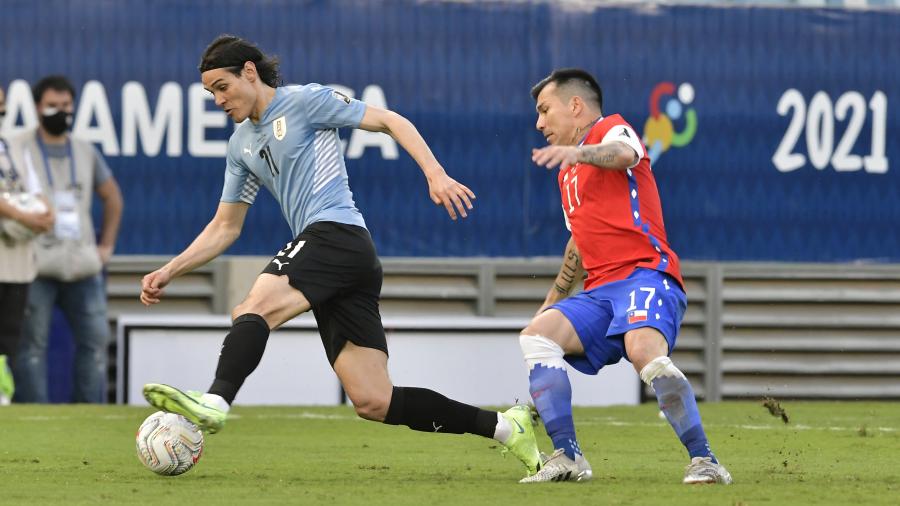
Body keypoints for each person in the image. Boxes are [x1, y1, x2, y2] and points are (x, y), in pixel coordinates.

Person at [139, 35, 541, 476]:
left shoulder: (306, 102)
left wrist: (436, 174)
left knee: (252, 308)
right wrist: (171, 269)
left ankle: (215, 400)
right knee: (374, 400)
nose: (218, 99)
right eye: (210, 92)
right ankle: (505, 427)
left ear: (249, 72)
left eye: (222, 86)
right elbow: (225, 227)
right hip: (341, 260)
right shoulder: (241, 147)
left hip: (337, 234)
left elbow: (390, 120)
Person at [518, 68, 732, 484]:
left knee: (642, 350)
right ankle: (568, 458)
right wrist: (551, 303)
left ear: (575, 105)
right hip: (600, 290)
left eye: (545, 110)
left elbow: (622, 155)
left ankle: (705, 461)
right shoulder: (566, 175)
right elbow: (578, 245)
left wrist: (579, 152)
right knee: (536, 336)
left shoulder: (611, 128)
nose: (539, 123)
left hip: (646, 275)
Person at [12, 75, 123, 403]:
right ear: (36, 108)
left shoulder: (84, 150)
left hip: (82, 266)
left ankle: (88, 414)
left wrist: (106, 247)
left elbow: (113, 197)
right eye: (52, 106)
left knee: (95, 343)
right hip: (35, 265)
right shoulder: (18, 147)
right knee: (30, 347)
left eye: (65, 106)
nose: (60, 112)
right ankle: (35, 417)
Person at [0, 84, 55, 405]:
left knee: (9, 338)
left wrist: (42, 215)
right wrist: (22, 215)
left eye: (3, 104)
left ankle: (3, 397)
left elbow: (35, 188)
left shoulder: (13, 146)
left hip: (18, 263)